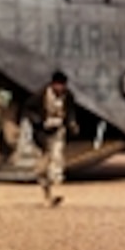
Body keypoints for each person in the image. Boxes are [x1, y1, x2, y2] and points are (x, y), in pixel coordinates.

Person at [23, 70, 79, 207]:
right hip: (42, 133)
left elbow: (70, 112)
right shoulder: (40, 95)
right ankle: (48, 194)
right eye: (58, 85)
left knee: (56, 156)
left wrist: (71, 124)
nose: (60, 88)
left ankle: (56, 179)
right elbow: (28, 109)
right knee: (41, 169)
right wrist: (38, 122)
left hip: (58, 131)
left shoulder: (68, 96)